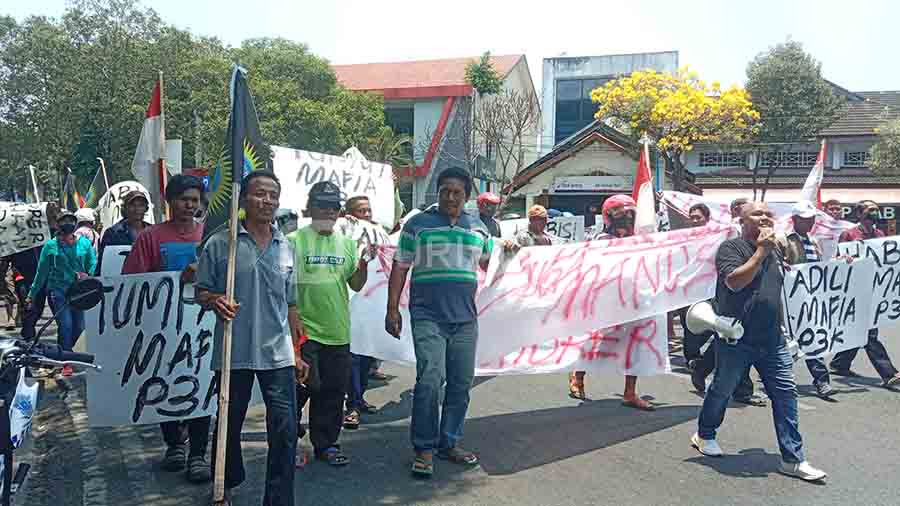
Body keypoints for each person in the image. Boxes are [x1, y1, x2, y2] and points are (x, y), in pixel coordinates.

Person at [691, 201, 826, 482]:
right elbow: (735, 282)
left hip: (771, 339)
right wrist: (762, 251)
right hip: (736, 337)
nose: (765, 217)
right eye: (757, 214)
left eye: (768, 214)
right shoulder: (732, 248)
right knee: (722, 390)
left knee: (786, 394)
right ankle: (705, 434)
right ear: (742, 220)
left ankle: (793, 459)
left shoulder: (776, 250)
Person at [197, 170, 309, 505]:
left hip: (277, 354)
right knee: (229, 426)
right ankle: (224, 484)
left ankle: (278, 499)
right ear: (244, 198)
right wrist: (215, 300)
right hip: (234, 351)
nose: (268, 201)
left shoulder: (285, 246)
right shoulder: (222, 243)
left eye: (273, 195)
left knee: (285, 429)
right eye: (260, 194)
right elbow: (201, 290)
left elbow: (290, 305)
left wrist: (297, 351)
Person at [386, 167, 492, 477]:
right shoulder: (417, 225)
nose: (450, 196)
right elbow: (400, 266)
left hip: (465, 320)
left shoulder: (480, 229)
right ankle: (424, 447)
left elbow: (489, 264)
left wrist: (511, 252)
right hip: (427, 315)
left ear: (467, 196)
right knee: (430, 380)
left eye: (457, 192)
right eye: (445, 190)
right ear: (438, 192)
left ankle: (449, 443)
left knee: (460, 384)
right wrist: (392, 308)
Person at [121, 175, 212, 483]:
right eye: (184, 199)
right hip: (162, 327)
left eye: (195, 200)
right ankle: (174, 443)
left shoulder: (209, 235)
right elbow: (133, 282)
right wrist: (175, 278)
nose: (190, 205)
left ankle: (198, 453)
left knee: (202, 387)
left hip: (204, 328)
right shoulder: (150, 237)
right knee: (164, 384)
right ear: (170, 202)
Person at [290, 182, 370, 462]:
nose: (329, 211)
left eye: (334, 206)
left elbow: (357, 285)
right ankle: (289, 435)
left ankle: (326, 444)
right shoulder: (292, 241)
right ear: (310, 207)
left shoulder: (347, 244)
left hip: (338, 332)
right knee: (303, 388)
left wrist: (363, 266)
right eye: (322, 205)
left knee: (334, 393)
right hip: (304, 332)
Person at [575, 195, 653, 409]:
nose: (627, 218)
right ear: (610, 217)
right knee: (596, 341)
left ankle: (630, 392)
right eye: (621, 213)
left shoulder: (640, 240)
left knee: (634, 344)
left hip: (633, 299)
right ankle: (578, 376)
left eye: (629, 213)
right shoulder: (600, 240)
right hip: (606, 300)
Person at [830, 200, 900, 388]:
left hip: (874, 289)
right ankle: (889, 373)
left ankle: (839, 363)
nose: (874, 213)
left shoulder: (879, 235)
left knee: (858, 330)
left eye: (876, 210)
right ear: (860, 214)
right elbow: (838, 260)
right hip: (855, 289)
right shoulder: (849, 234)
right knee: (869, 332)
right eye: (870, 210)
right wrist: (846, 258)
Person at [775, 201, 838, 399]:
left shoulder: (814, 242)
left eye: (811, 219)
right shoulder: (782, 240)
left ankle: (822, 381)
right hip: (786, 300)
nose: (809, 223)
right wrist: (781, 265)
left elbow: (821, 268)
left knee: (811, 339)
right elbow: (771, 262)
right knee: (778, 341)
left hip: (808, 299)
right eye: (805, 219)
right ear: (794, 220)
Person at [27, 210, 96, 359]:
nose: (68, 224)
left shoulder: (84, 243)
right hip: (58, 291)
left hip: (79, 290)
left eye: (71, 220)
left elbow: (93, 262)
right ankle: (65, 360)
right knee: (66, 325)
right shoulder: (50, 246)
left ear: (75, 223)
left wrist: (88, 275)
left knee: (79, 327)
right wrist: (31, 295)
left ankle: (62, 353)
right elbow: (41, 273)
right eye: (63, 221)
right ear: (57, 225)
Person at [338, 195, 383, 419]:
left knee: (367, 354)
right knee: (354, 356)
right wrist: (343, 221)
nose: (366, 215)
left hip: (372, 302)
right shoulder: (343, 229)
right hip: (351, 300)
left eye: (368, 210)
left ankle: (359, 397)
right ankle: (352, 405)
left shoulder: (378, 232)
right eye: (360, 211)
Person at [679, 204, 712, 367]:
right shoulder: (684, 238)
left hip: (707, 289)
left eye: (698, 217)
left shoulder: (715, 237)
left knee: (708, 324)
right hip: (687, 289)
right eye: (691, 217)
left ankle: (701, 356)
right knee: (688, 324)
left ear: (707, 218)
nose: (694, 220)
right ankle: (692, 357)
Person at [97, 190, 150, 274]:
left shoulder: (152, 231)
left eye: (141, 205)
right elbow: (103, 264)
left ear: (146, 209)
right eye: (132, 205)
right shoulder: (112, 233)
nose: (137, 209)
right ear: (125, 208)